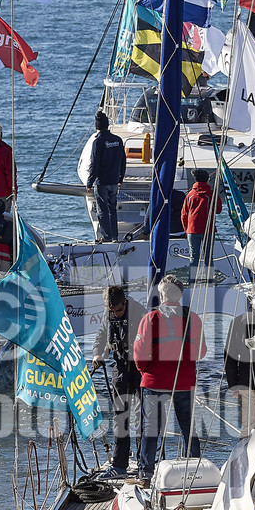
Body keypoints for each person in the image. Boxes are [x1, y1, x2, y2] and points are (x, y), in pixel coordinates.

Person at [133, 276, 207, 483]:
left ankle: (146, 474)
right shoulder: (193, 318)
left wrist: (146, 372)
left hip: (154, 381)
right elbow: (201, 352)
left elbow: (139, 355)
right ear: (181, 294)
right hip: (184, 381)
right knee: (188, 428)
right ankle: (195, 472)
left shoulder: (150, 319)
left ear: (161, 294)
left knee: (151, 429)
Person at [92, 285, 139, 473]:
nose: (116, 314)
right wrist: (97, 354)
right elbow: (101, 335)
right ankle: (120, 464)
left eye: (119, 310)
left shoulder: (139, 313)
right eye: (112, 311)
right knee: (120, 416)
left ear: (124, 302)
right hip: (119, 368)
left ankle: (145, 462)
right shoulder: (108, 314)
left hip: (139, 368)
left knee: (142, 415)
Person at [82, 110, 127, 242]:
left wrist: (89, 183)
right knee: (113, 210)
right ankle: (114, 236)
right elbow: (123, 161)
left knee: (102, 211)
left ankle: (106, 237)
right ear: (107, 125)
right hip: (114, 181)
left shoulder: (98, 142)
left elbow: (94, 164)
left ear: (97, 126)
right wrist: (120, 178)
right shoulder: (118, 140)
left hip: (102, 182)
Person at [180, 171, 215, 276]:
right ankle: (210, 280)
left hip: (192, 230)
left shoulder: (190, 195)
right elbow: (218, 209)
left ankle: (192, 281)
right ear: (207, 180)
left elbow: (183, 214)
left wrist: (186, 230)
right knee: (208, 257)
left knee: (193, 257)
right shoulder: (211, 193)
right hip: (207, 230)